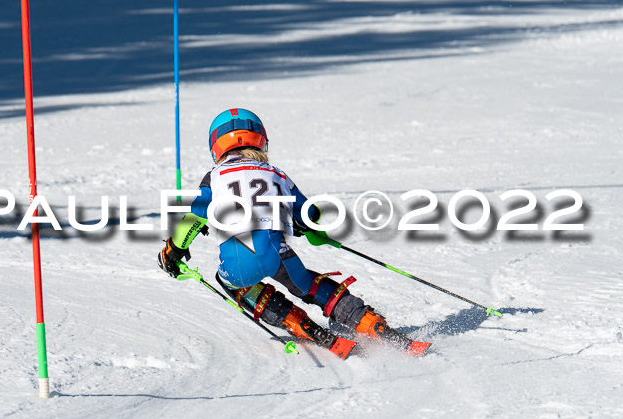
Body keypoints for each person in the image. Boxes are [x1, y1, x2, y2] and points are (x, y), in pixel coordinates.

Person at [158, 108, 430, 358]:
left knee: (230, 280)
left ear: (216, 148)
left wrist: (173, 250)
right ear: (261, 139)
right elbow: (309, 214)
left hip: (239, 261)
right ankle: (371, 324)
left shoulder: (215, 176)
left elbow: (195, 217)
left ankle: (299, 324)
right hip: (280, 255)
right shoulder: (276, 173)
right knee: (308, 284)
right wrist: (308, 229)